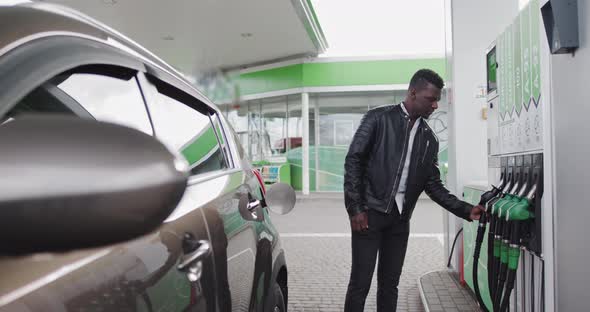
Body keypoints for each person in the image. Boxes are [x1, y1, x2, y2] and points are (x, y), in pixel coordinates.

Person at [343, 69, 484, 312]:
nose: (435, 104)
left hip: (399, 221)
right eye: (431, 99)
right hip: (370, 215)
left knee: (390, 284)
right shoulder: (378, 119)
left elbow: (433, 185)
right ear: (413, 92)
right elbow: (354, 161)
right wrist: (356, 208)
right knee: (360, 283)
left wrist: (466, 210)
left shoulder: (429, 138)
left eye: (437, 99)